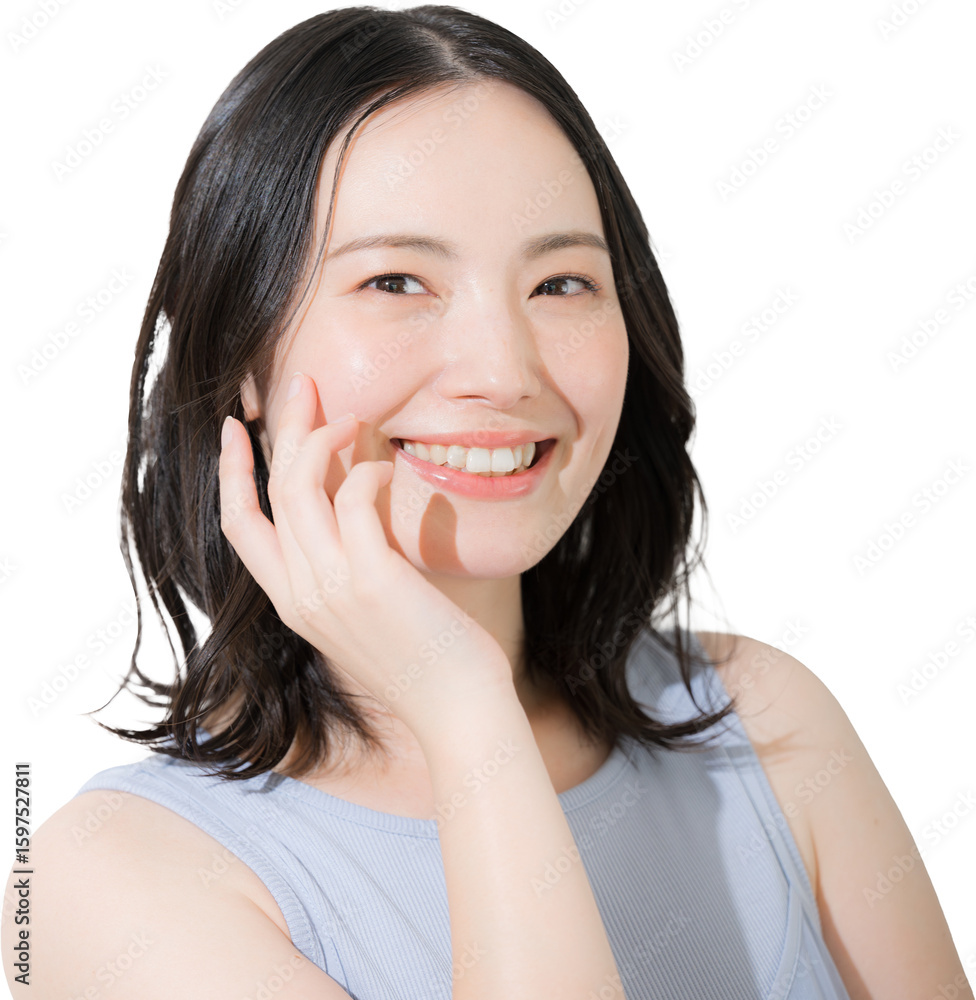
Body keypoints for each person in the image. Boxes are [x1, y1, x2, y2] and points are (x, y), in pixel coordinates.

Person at [4, 6, 971, 999]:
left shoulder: (759, 722)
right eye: (396, 281)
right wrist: (463, 708)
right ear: (242, 354)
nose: (504, 371)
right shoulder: (106, 881)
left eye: (560, 283)